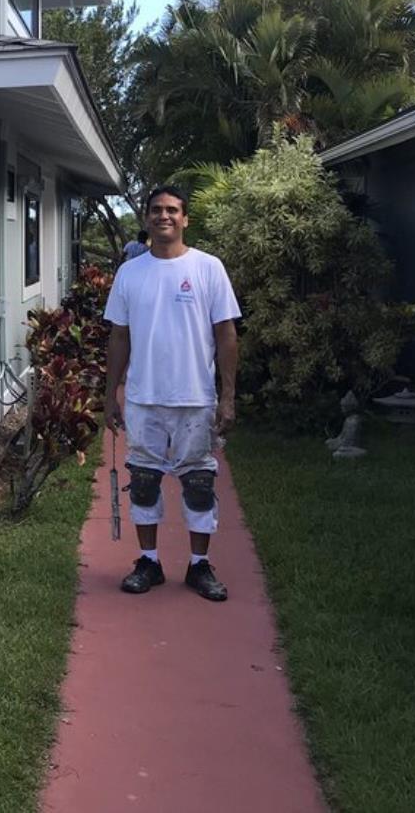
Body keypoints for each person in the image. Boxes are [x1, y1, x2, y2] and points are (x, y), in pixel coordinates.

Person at [103, 186, 240, 602]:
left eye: (172, 210)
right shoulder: (130, 273)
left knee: (198, 482)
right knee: (144, 481)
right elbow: (119, 337)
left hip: (195, 398)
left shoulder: (208, 268)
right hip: (143, 398)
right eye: (156, 210)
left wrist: (228, 396)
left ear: (185, 219)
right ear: (146, 218)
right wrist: (110, 394)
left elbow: (226, 334)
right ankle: (149, 562)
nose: (164, 216)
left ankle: (199, 566)